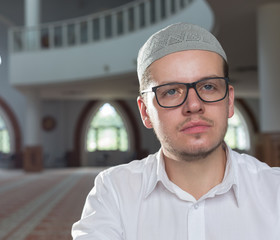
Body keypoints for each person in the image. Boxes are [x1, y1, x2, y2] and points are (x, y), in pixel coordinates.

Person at [71, 22, 280, 240]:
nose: (193, 105)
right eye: (171, 91)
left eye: (208, 86)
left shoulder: (275, 191)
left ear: (229, 101)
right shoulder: (114, 191)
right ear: (145, 112)